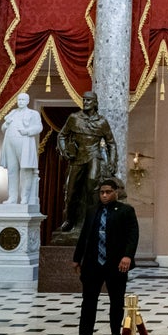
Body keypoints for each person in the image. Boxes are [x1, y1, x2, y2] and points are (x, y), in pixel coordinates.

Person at [72, 178, 139, 335]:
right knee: (88, 300)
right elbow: (84, 236)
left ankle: (116, 333)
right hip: (93, 263)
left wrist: (127, 256)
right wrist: (77, 258)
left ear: (116, 192)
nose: (104, 195)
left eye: (108, 192)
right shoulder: (92, 211)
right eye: (102, 192)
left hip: (116, 263)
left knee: (116, 300)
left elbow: (133, 236)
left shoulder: (125, 211)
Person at [57, 91, 117, 234]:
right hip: (77, 158)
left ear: (95, 103)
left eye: (89, 100)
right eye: (84, 100)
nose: (85, 103)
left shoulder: (102, 122)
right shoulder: (74, 118)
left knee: (92, 187)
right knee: (70, 192)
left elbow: (111, 143)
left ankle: (93, 220)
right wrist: (65, 150)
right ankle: (69, 220)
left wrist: (112, 161)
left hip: (94, 156)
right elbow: (62, 135)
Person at [0, 93, 43, 205]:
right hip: (10, 144)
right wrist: (6, 124)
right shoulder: (12, 113)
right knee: (12, 171)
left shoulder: (33, 113)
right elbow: (3, 128)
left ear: (28, 101)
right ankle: (12, 197)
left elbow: (39, 127)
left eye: (23, 100)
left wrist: (27, 131)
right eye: (19, 100)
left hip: (24, 143)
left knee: (25, 171)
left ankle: (25, 197)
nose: (20, 101)